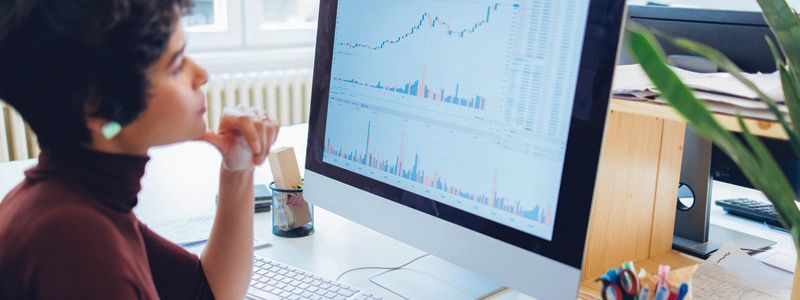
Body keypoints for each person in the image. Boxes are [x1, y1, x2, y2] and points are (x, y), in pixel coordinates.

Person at [0, 0, 280, 299]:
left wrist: (238, 168)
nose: (201, 75)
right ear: (101, 108)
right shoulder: (75, 242)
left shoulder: (82, 198)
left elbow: (208, 292)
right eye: (176, 66)